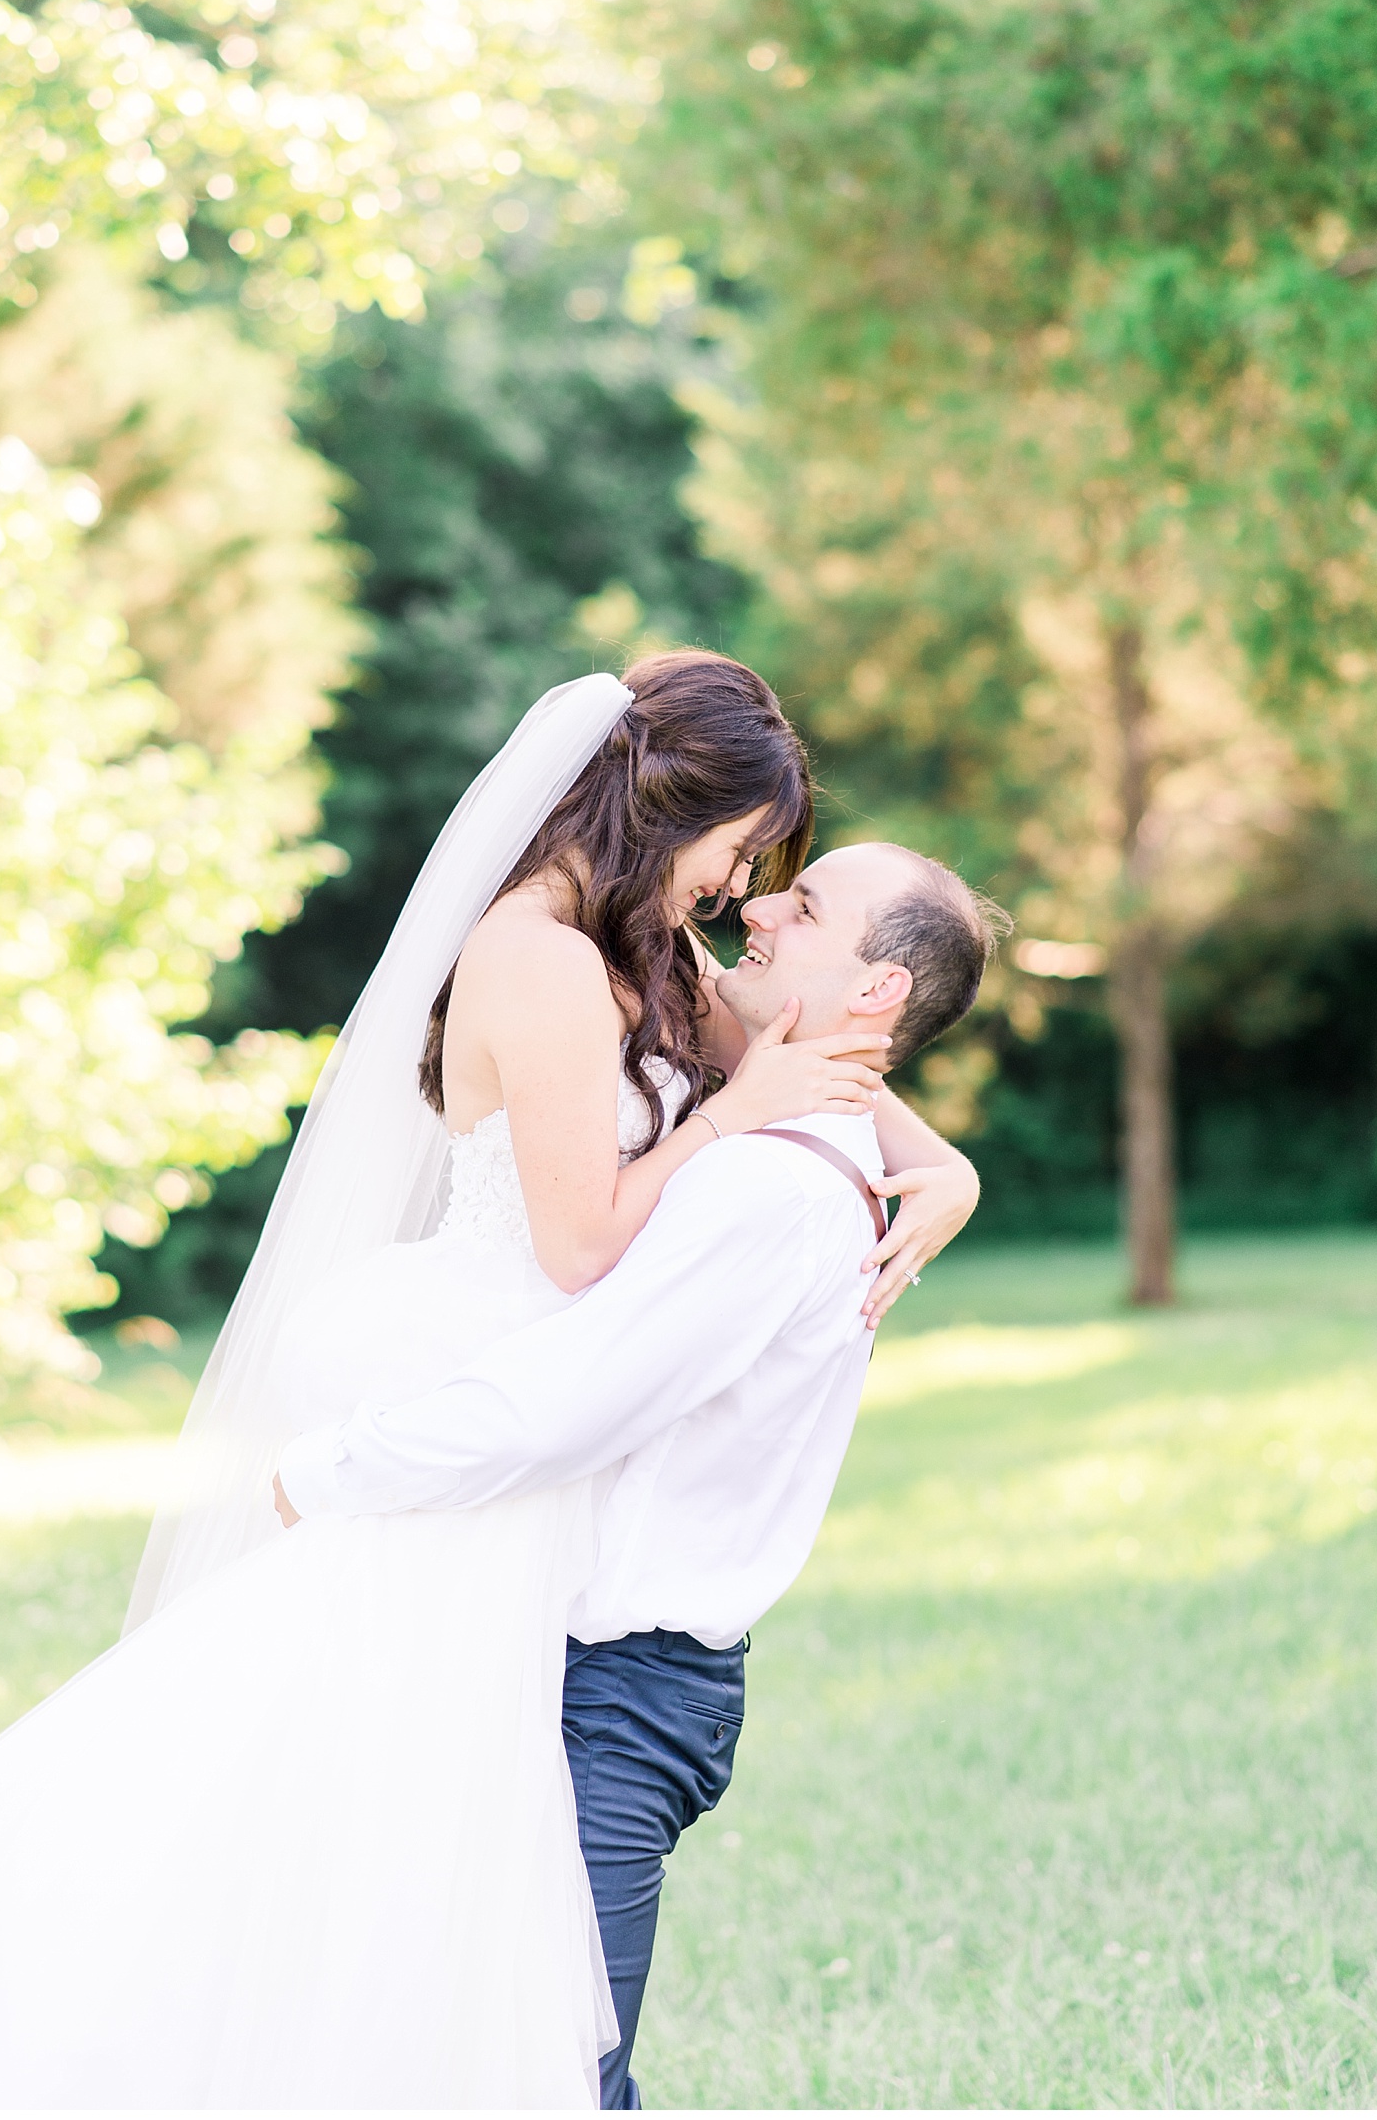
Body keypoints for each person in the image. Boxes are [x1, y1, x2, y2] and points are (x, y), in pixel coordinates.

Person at [0, 657, 980, 2111]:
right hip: (483, 1436)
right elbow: (581, 1246)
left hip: (533, 1497)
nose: (742, 894)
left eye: (777, 884)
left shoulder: (652, 950)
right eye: (746, 856)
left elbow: (834, 1047)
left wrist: (946, 1164)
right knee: (318, 1875)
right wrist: (736, 1112)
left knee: (452, 1946)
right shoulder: (545, 956)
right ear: (669, 806)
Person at [274, 837, 1007, 2107]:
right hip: (585, 1666)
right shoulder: (790, 1137)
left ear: (877, 988)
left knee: (554, 2074)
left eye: (806, 902)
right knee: (467, 2053)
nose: (759, 907)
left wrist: (325, 1470)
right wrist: (950, 1162)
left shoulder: (774, 1187)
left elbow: (564, 1403)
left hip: (617, 1692)